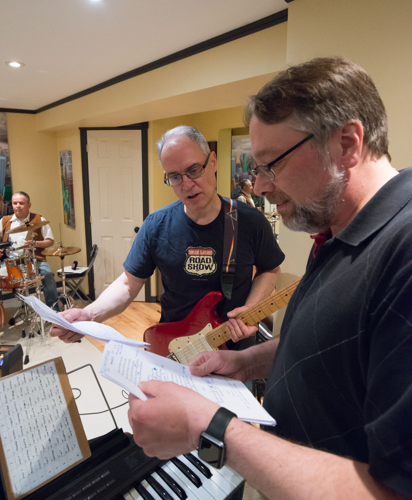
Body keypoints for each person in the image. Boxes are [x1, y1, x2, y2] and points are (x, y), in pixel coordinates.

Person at [127, 58, 412, 499]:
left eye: (269, 165)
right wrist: (246, 362)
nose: (259, 187)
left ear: (347, 144)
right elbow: (332, 342)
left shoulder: (404, 255)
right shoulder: (338, 233)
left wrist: (209, 425)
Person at [50, 126, 283, 350]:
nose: (187, 184)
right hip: (173, 347)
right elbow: (128, 283)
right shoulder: (156, 225)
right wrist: (88, 314)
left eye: (194, 170)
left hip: (234, 350)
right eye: (174, 177)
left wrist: (251, 308)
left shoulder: (250, 221)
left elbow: (270, 269)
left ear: (212, 162)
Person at [0, 191, 59, 310]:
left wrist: (36, 243)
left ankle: (53, 309)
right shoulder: (4, 221)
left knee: (48, 274)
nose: (17, 206)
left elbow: (50, 241)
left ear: (29, 204)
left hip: (34, 259)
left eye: (21, 203)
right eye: (15, 203)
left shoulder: (38, 219)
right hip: (10, 261)